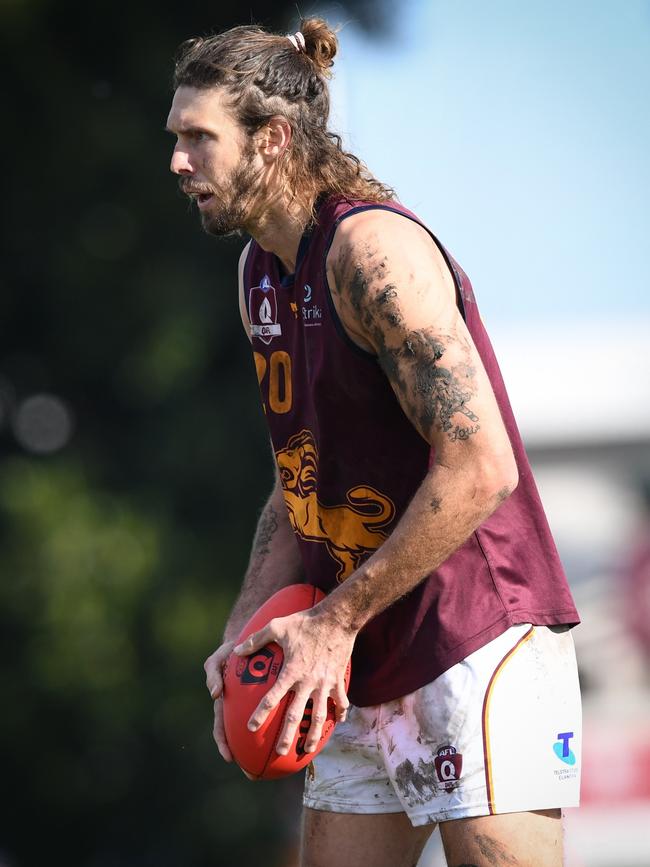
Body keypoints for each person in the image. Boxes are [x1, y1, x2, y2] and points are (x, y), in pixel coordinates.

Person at [166, 18, 582, 867]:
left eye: (197, 138)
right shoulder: (260, 275)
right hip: (356, 645)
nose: (177, 162)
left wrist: (334, 619)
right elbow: (304, 475)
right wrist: (250, 623)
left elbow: (482, 466)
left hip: (474, 631)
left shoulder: (373, 253)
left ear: (272, 139)